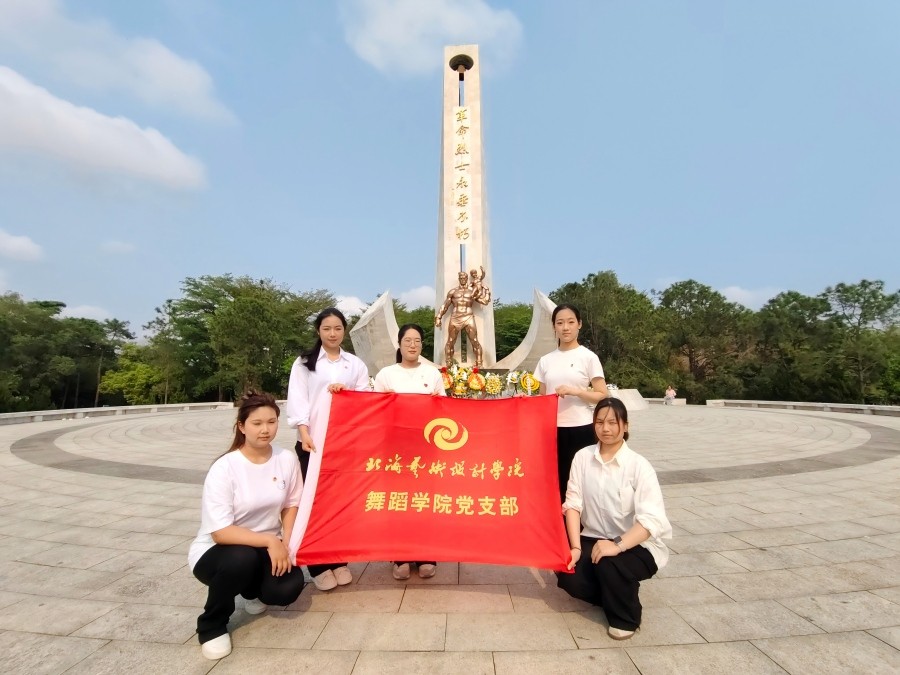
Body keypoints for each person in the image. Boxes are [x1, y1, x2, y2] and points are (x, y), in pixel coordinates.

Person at [188, 391, 306, 660]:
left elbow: (291, 504)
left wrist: (287, 542)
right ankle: (212, 625)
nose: (265, 430)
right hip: (219, 552)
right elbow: (220, 533)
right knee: (241, 559)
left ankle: (251, 591)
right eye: (257, 423)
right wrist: (271, 541)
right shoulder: (225, 468)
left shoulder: (286, 458)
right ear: (241, 426)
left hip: (264, 547)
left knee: (288, 586)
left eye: (272, 422)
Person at [557, 397, 671, 640]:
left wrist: (617, 545)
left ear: (625, 426)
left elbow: (651, 520)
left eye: (612, 422)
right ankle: (614, 592)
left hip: (636, 544)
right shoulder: (582, 457)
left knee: (609, 564)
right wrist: (575, 548)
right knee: (566, 570)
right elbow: (573, 504)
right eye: (599, 422)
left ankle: (626, 617)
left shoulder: (639, 466)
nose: (605, 428)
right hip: (593, 537)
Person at [286, 307, 369, 591]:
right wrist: (304, 433)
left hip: (343, 445)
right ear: (318, 331)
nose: (332, 334)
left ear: (344, 330)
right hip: (313, 443)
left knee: (339, 504)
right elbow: (297, 399)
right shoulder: (305, 363)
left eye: (337, 328)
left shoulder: (354, 364)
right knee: (314, 502)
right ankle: (317, 565)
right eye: (326, 328)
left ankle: (338, 559)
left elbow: (364, 399)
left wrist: (347, 394)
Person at [373, 323, 445, 581]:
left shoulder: (432, 374)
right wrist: (385, 402)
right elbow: (373, 410)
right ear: (400, 344)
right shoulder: (386, 375)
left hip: (426, 449)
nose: (413, 345)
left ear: (422, 345)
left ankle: (426, 554)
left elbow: (444, 410)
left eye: (417, 341)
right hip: (395, 449)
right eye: (408, 340)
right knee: (398, 500)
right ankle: (400, 555)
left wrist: (437, 402)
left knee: (424, 500)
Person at [533, 303, 609, 503]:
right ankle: (559, 522)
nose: (565, 328)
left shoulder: (588, 357)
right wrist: (523, 401)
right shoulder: (545, 360)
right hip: (552, 431)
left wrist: (575, 391)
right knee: (556, 483)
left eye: (570, 322)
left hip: (581, 429)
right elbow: (542, 398)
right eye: (560, 323)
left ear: (579, 324)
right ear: (554, 327)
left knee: (581, 483)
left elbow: (602, 394)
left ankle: (582, 522)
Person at [434, 269, 491, 367]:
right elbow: (445, 305)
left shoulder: (472, 291)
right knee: (450, 341)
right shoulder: (453, 292)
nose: (463, 279)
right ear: (459, 279)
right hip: (455, 317)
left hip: (468, 317)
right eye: (461, 278)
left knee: (475, 341)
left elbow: (484, 302)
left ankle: (479, 364)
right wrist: (438, 317)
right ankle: (448, 364)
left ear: (467, 278)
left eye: (464, 278)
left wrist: (487, 291)